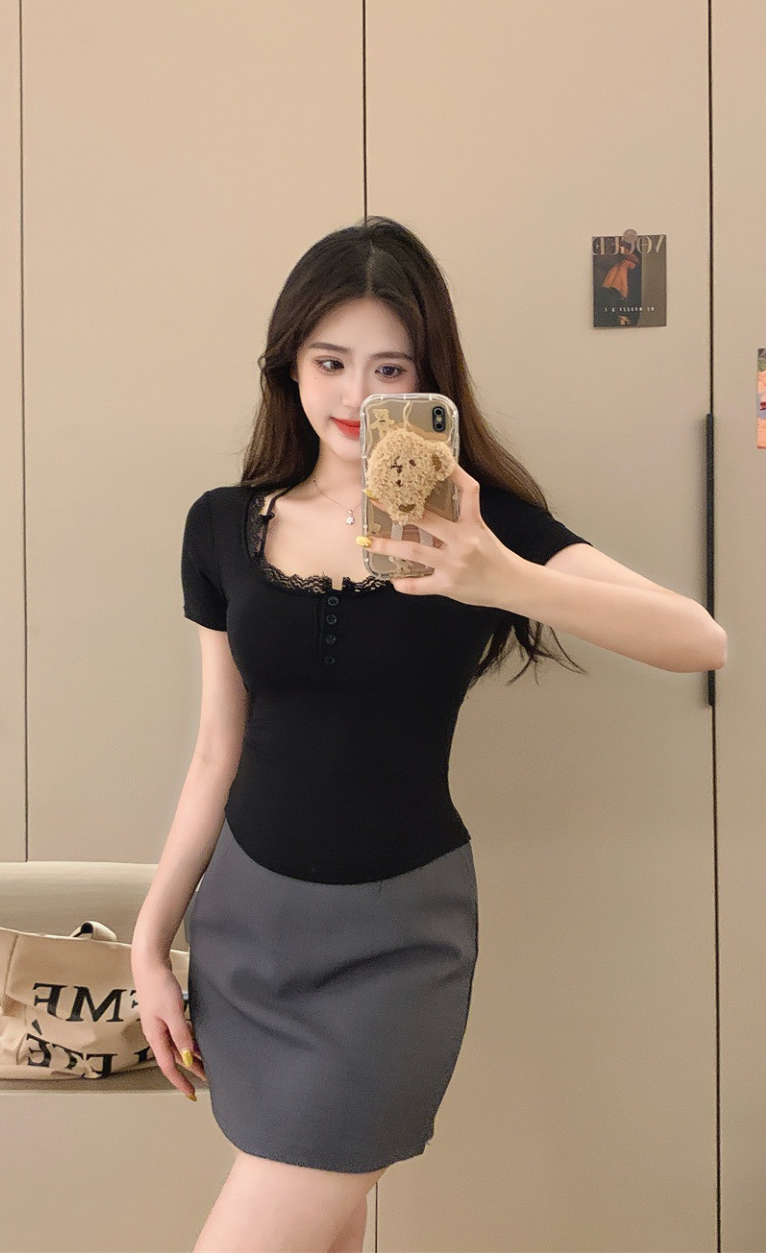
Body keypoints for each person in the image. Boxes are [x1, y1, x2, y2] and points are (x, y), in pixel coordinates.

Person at [131, 216, 727, 1253]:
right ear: (290, 365)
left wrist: (499, 575)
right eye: (330, 361)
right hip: (247, 931)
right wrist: (149, 942)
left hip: (395, 944)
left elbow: (698, 638)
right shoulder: (220, 525)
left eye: (389, 369)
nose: (355, 395)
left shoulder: (481, 526)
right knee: (326, 1229)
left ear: (427, 379)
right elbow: (216, 752)